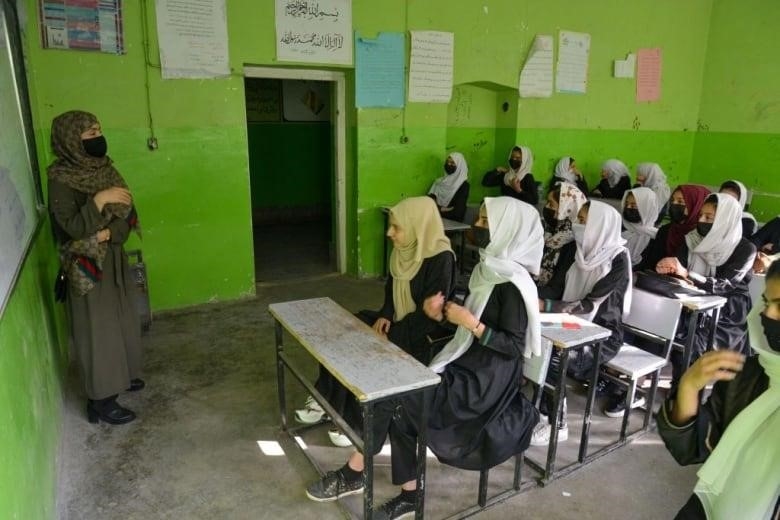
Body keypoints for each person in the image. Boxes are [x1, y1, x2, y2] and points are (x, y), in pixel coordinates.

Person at [305, 197, 542, 519]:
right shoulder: (489, 268)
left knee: (398, 398)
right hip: (465, 360)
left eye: (486, 222)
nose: (477, 226)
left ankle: (356, 473)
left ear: (508, 230)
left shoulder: (513, 284)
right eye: (480, 219)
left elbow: (513, 346)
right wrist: (443, 312)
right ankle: (406, 493)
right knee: (400, 403)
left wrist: (470, 323)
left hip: (485, 381)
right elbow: (466, 320)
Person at [295, 197, 456, 446]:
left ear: (417, 227)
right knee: (346, 329)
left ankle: (355, 423)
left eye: (397, 227)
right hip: (398, 321)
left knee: (367, 349)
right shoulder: (403, 251)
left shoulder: (441, 258)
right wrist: (385, 315)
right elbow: (391, 292)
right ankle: (325, 399)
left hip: (423, 334)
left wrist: (392, 334)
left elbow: (431, 316)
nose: (389, 233)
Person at [656, 258, 780, 520]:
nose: (768, 315)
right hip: (709, 510)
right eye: (766, 303)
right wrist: (689, 386)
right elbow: (694, 449)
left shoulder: (743, 252)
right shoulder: (748, 374)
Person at [47, 110, 144, 425]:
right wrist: (99, 201)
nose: (98, 138)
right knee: (97, 331)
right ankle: (101, 400)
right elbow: (72, 228)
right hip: (86, 264)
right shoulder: (61, 179)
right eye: (90, 133)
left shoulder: (106, 169)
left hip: (112, 257)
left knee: (122, 319)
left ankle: (122, 376)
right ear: (71, 140)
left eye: (99, 130)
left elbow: (127, 214)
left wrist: (108, 234)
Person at [533, 201, 632, 443]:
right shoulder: (573, 250)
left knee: (552, 357)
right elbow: (556, 288)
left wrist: (545, 306)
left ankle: (558, 422)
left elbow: (591, 304)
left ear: (600, 225)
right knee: (529, 339)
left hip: (601, 335)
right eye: (578, 219)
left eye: (584, 221)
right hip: (566, 323)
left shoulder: (618, 260)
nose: (578, 225)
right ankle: (542, 408)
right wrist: (530, 295)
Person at [656, 194, 757, 384]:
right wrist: (669, 268)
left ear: (725, 220)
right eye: (701, 215)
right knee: (657, 323)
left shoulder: (745, 249)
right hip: (690, 300)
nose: (701, 221)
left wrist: (687, 274)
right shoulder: (692, 239)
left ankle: (683, 390)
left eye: (709, 218)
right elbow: (679, 268)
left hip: (727, 310)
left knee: (692, 342)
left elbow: (725, 284)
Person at [636, 185, 712, 272]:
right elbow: (648, 262)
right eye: (672, 200)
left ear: (696, 205)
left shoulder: (699, 236)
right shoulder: (665, 230)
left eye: (680, 201)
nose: (674, 204)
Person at [535, 182, 588, 298]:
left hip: (550, 299)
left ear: (566, 209)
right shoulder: (548, 232)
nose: (546, 207)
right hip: (536, 290)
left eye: (551, 204)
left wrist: (526, 292)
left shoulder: (573, 244)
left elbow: (557, 289)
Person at [621, 187, 659, 268]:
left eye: (633, 205)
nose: (628, 207)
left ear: (647, 208)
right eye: (626, 204)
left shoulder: (658, 237)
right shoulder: (620, 228)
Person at [427, 152, 470, 222]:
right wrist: (443, 209)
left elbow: (457, 212)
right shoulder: (439, 182)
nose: (449, 164)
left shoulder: (463, 186)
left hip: (454, 223)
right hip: (435, 219)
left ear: (459, 166)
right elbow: (429, 204)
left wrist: (438, 209)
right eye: (447, 162)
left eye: (452, 163)